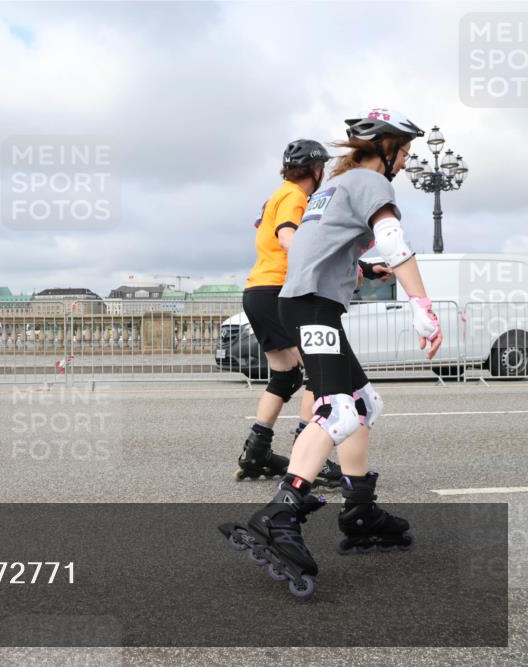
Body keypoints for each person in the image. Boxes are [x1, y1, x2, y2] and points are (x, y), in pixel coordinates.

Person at [223, 108, 443, 597]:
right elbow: (393, 239)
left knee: (365, 404)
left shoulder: (328, 191)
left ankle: (359, 508)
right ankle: (280, 514)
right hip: (312, 307)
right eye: (404, 152)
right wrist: (422, 306)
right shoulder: (370, 182)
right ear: (384, 148)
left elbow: (311, 250)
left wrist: (363, 272)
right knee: (337, 410)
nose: (406, 164)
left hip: (304, 301)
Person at [236, 139, 344, 488]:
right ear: (316, 169)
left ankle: (256, 453)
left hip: (256, 291)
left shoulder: (276, 195)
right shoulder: (295, 197)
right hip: (277, 290)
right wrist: (320, 261)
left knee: (285, 377)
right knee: (318, 370)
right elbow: (286, 237)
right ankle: (306, 451)